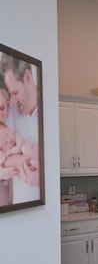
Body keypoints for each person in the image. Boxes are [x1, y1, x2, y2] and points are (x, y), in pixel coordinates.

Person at [0, 52, 40, 203]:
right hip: (17, 209)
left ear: (27, 77)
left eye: (15, 92)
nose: (13, 101)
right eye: (10, 95)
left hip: (42, 209)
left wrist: (40, 178)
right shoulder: (10, 112)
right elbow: (4, 155)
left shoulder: (48, 114)